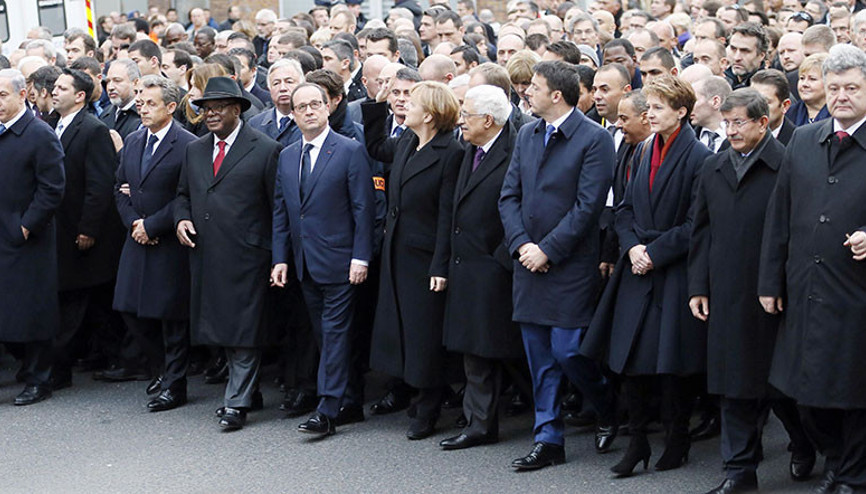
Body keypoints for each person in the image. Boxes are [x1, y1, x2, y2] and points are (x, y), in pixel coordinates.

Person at [583, 75, 713, 476]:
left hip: (670, 271)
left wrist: (654, 252)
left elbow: (698, 223)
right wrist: (633, 246)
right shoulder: (640, 152)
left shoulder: (699, 158)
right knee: (630, 360)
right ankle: (637, 441)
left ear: (682, 112)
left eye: (659, 108)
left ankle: (677, 438)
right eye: (649, 108)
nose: (650, 115)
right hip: (636, 266)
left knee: (670, 365)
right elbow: (622, 209)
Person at [689, 88, 815, 493]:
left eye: (739, 122)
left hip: (773, 291)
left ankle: (803, 444)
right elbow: (701, 231)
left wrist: (777, 283)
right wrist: (698, 286)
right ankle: (739, 470)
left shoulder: (788, 164)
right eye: (726, 123)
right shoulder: (713, 167)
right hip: (726, 290)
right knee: (734, 385)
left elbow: (796, 232)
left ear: (764, 122)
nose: (731, 131)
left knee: (780, 387)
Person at [499, 60, 618, 471]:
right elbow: (509, 196)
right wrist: (521, 245)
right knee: (539, 359)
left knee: (569, 352)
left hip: (567, 266)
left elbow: (588, 208)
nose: (526, 92)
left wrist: (547, 250)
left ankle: (606, 406)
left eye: (534, 86)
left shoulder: (594, 139)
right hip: (528, 265)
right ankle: (548, 437)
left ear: (556, 95)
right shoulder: (527, 134)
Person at [759, 44, 866, 494]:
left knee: (855, 393)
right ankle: (838, 463)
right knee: (804, 394)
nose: (841, 95)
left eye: (853, 88)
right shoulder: (804, 138)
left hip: (856, 292)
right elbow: (778, 215)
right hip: (804, 287)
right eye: (835, 87)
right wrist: (769, 281)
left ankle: (852, 476)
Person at [174, 76, 282, 431]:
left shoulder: (265, 148)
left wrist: (276, 255)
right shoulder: (195, 149)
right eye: (206, 108)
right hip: (206, 254)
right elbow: (182, 195)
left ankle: (235, 403)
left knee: (243, 332)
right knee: (220, 330)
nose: (211, 114)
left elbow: (276, 208)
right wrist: (181, 219)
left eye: (219, 107)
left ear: (237, 109)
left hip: (248, 256)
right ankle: (249, 393)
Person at [271, 82, 375, 437]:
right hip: (304, 264)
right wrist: (280, 258)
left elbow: (364, 208)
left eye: (316, 104)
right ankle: (349, 401)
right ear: (294, 113)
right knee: (325, 334)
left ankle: (328, 409)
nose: (310, 110)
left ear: (328, 108)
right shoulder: (286, 155)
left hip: (342, 262)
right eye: (302, 106)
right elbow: (282, 212)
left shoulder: (349, 150)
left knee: (333, 334)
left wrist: (361, 256)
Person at [364, 77, 464, 440]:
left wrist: (441, 264)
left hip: (425, 258)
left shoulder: (451, 152)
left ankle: (429, 404)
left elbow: (447, 216)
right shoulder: (407, 141)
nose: (404, 105)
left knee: (425, 333)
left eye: (413, 102)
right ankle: (413, 391)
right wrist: (376, 102)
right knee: (403, 327)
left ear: (432, 114)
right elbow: (376, 145)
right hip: (398, 253)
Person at [439, 84, 523, 451]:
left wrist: (501, 258)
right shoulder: (468, 151)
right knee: (475, 351)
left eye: (467, 114)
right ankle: (479, 423)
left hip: (494, 267)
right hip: (466, 265)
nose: (460, 121)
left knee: (497, 350)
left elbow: (523, 206)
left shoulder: (515, 151)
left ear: (488, 120)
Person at [113, 75, 197, 412]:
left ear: (171, 107)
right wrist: (134, 221)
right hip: (136, 236)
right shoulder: (134, 140)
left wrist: (152, 224)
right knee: (129, 309)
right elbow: (119, 187)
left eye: (150, 103)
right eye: (139, 101)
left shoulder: (188, 144)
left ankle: (175, 385)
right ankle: (161, 369)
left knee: (172, 319)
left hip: (167, 241)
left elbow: (185, 195)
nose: (142, 108)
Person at [50, 68, 122, 389]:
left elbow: (100, 184)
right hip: (60, 228)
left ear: (80, 96)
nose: (54, 91)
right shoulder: (55, 124)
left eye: (62, 87)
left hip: (81, 229)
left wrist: (88, 228)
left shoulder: (93, 129)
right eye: (54, 86)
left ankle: (62, 366)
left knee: (79, 300)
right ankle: (97, 355)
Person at [0, 68, 65, 405]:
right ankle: (25, 370)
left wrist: (25, 226)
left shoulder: (39, 134)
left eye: (2, 96)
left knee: (32, 311)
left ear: (22, 94)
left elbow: (52, 188)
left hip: (27, 240)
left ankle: (40, 379)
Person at [100, 58, 142, 140]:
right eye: (108, 81)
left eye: (117, 81)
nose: (110, 87)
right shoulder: (105, 113)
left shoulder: (144, 115)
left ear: (135, 83)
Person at [789, 53, 831, 126]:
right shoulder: (789, 114)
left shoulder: (837, 115)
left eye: (812, 79)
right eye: (802, 78)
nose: (804, 84)